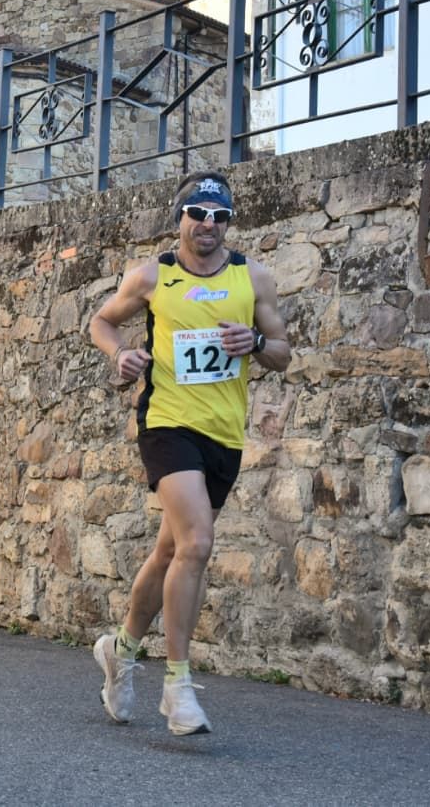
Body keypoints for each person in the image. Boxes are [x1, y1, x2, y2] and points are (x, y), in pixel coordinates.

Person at [85, 170, 290, 735]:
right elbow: (101, 321)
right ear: (180, 217)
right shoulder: (154, 276)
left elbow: (283, 353)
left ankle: (121, 651)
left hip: (224, 433)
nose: (209, 224)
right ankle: (178, 686)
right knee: (198, 541)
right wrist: (120, 354)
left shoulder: (253, 277)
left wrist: (257, 343)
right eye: (198, 213)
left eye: (220, 216)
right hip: (167, 424)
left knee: (170, 552)